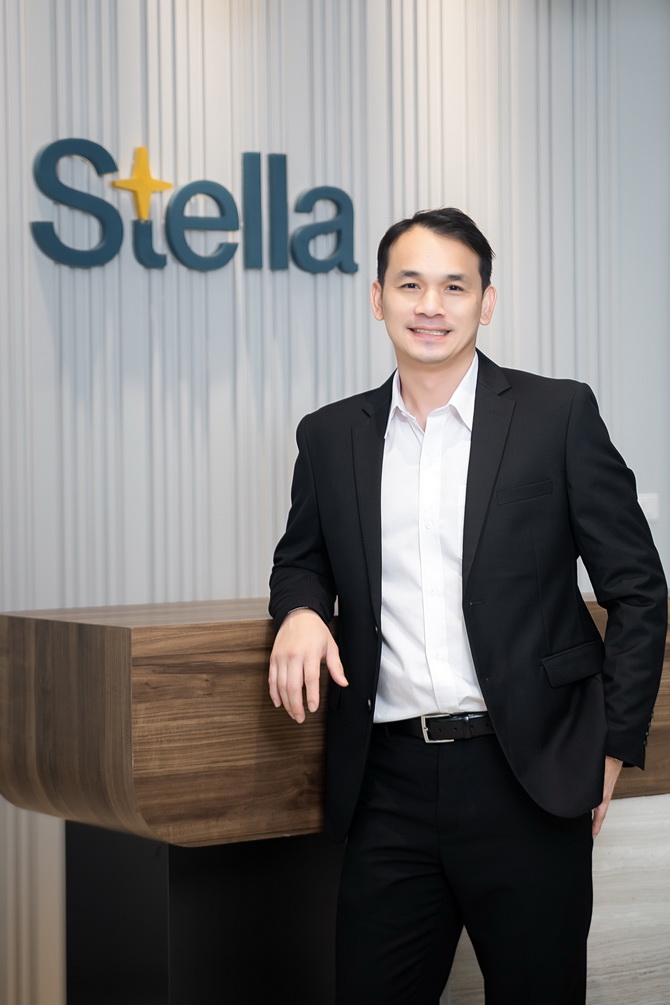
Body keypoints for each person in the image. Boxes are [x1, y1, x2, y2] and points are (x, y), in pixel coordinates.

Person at [268, 207, 667, 1005]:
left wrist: (612, 747)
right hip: (386, 782)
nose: (431, 305)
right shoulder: (330, 435)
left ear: (486, 303)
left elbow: (638, 588)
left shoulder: (558, 416)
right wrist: (303, 609)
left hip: (526, 776)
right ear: (377, 298)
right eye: (410, 284)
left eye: (455, 286)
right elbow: (302, 557)